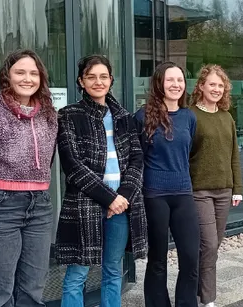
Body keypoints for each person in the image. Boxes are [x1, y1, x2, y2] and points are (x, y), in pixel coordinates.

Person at [0, 49, 59, 307]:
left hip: (39, 204)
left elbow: (47, 161)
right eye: (20, 72)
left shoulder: (48, 113)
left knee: (33, 289)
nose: (27, 78)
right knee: (0, 292)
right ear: (7, 75)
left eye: (33, 73)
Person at [56, 55, 147, 307]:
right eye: (91, 77)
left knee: (113, 271)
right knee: (77, 274)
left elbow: (137, 161)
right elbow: (73, 166)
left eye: (103, 76)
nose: (98, 82)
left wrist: (123, 197)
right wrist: (110, 198)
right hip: (85, 206)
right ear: (81, 81)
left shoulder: (124, 118)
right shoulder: (68, 115)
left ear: (111, 80)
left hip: (121, 207)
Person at [136, 62, 200, 307]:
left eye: (180, 80)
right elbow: (137, 157)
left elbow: (187, 152)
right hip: (155, 195)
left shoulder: (188, 117)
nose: (176, 85)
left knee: (190, 257)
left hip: (183, 193)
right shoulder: (142, 117)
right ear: (159, 84)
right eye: (170, 80)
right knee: (157, 259)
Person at [189, 64, 243, 307]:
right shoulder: (190, 116)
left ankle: (197, 289)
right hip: (199, 191)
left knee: (213, 245)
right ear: (201, 86)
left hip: (224, 191)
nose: (217, 89)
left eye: (221, 85)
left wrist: (237, 188)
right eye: (212, 84)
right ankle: (207, 298)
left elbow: (234, 156)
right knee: (208, 244)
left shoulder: (227, 117)